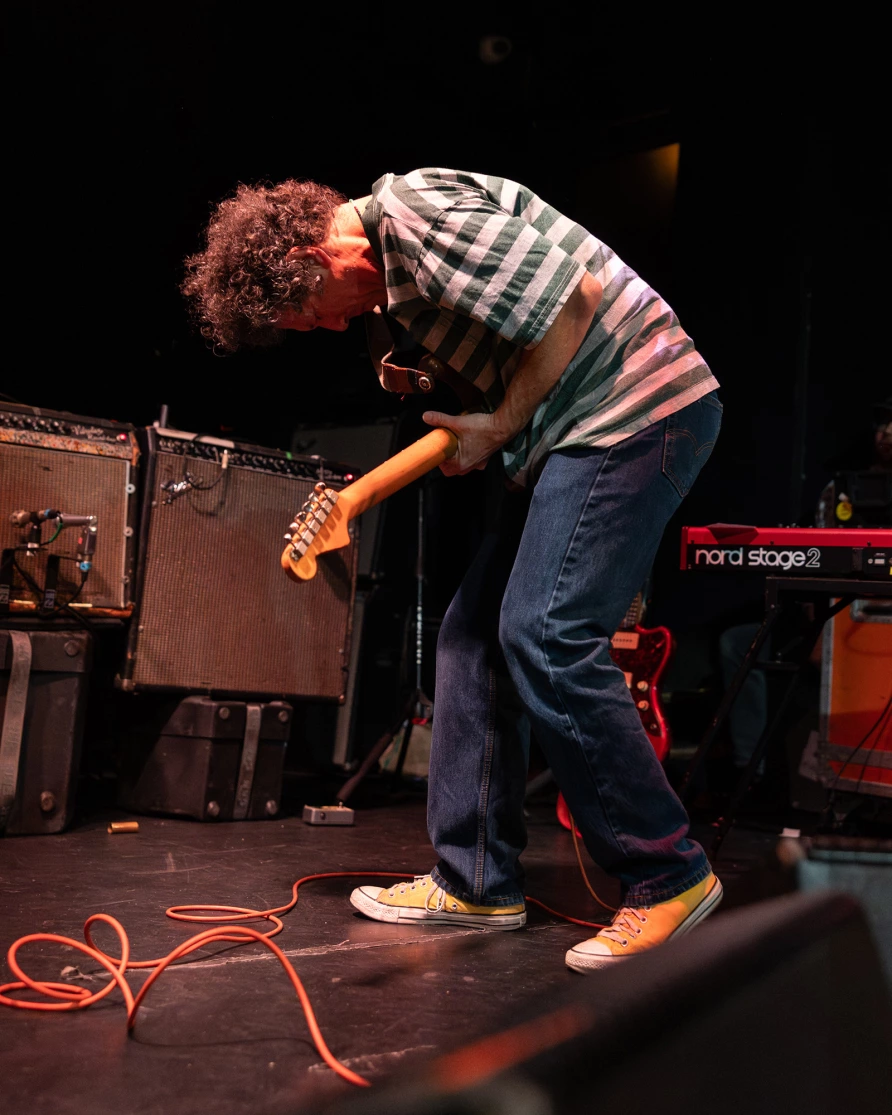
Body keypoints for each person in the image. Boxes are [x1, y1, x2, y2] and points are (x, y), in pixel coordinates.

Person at [183, 168, 724, 971]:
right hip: (574, 431)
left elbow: (572, 301)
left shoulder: (414, 214)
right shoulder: (394, 300)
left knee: (544, 632)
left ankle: (668, 874)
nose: (326, 330)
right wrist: (487, 429)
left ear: (312, 253)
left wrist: (498, 425)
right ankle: (475, 878)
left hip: (634, 407)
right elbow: (514, 356)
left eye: (306, 314)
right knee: (471, 640)